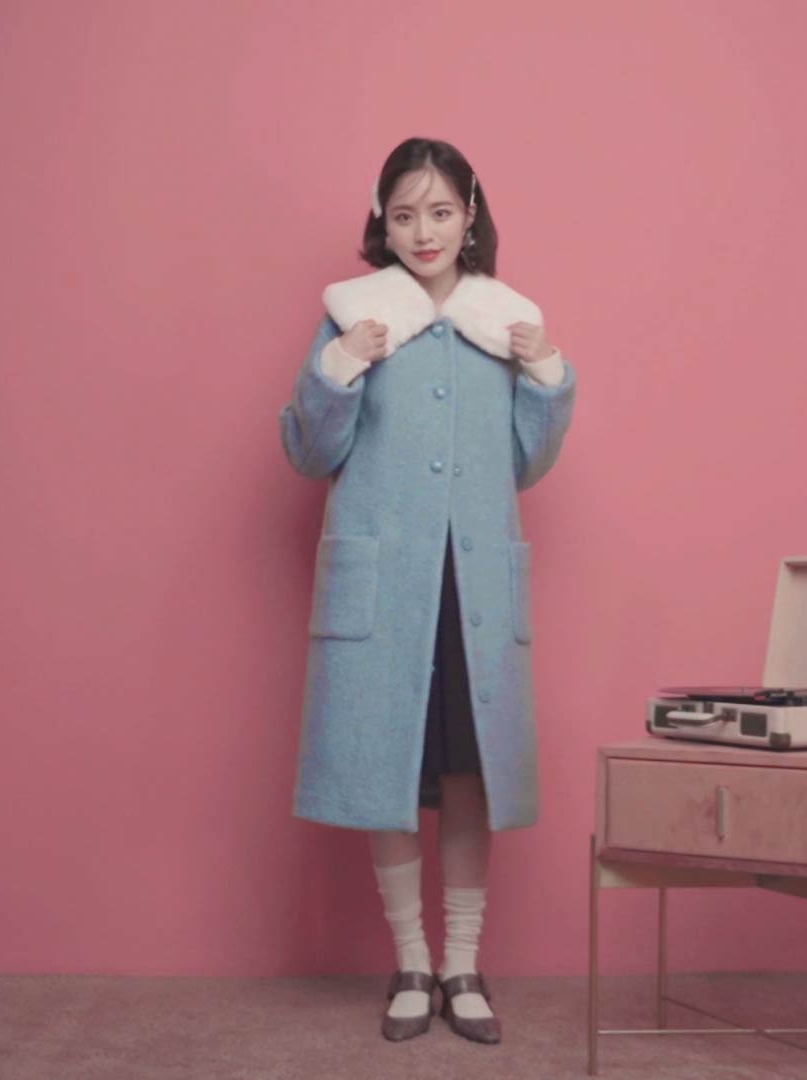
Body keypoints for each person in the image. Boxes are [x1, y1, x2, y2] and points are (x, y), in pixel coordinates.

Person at [278, 137, 576, 1044]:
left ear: (470, 215)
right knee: (389, 775)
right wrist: (339, 369)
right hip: (390, 586)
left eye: (440, 211)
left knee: (469, 774)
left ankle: (462, 965)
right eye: (404, 214)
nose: (424, 232)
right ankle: (411, 960)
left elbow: (525, 462)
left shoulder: (504, 322)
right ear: (383, 222)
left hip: (470, 583)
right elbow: (308, 452)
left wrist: (547, 376)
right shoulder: (355, 317)